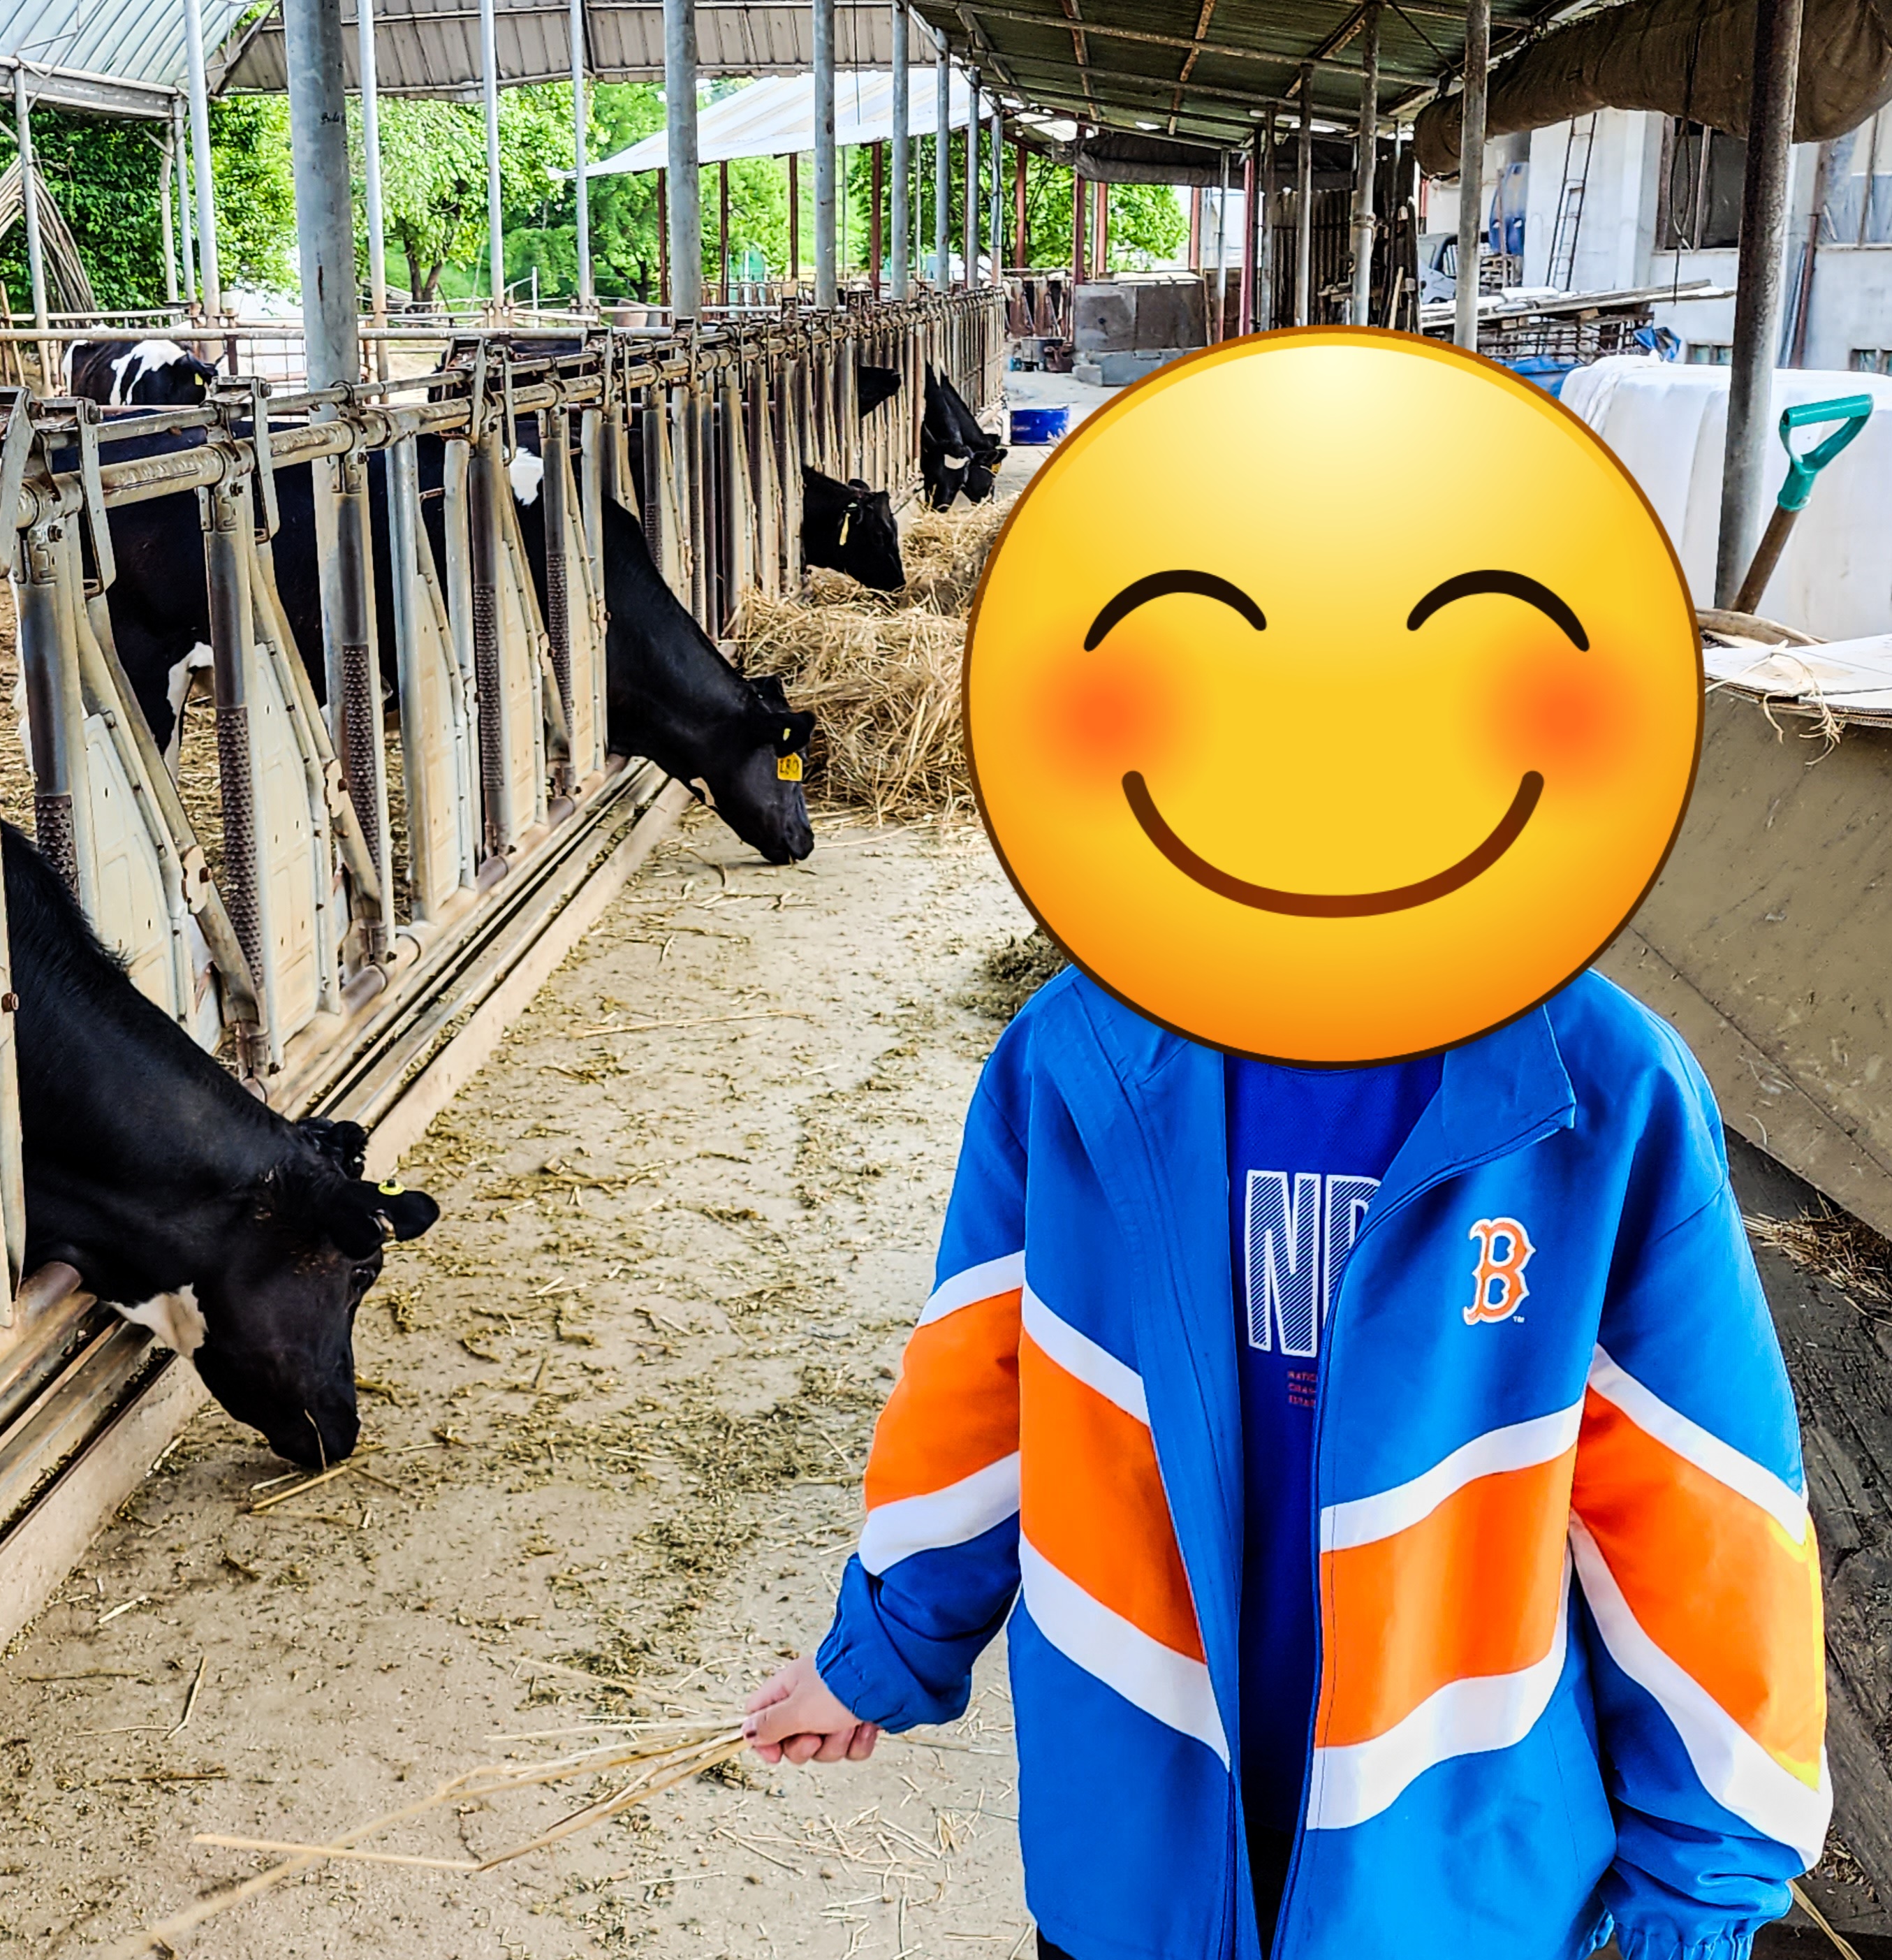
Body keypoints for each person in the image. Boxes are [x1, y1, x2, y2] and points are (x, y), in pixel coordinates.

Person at [743, 330, 1828, 1960]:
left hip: (1445, 1873)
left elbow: (1700, 1499)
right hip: (1138, 1832)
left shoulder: (1598, 1096)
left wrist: (1700, 1886)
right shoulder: (1078, 1061)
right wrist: (887, 1648)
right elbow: (979, 1386)